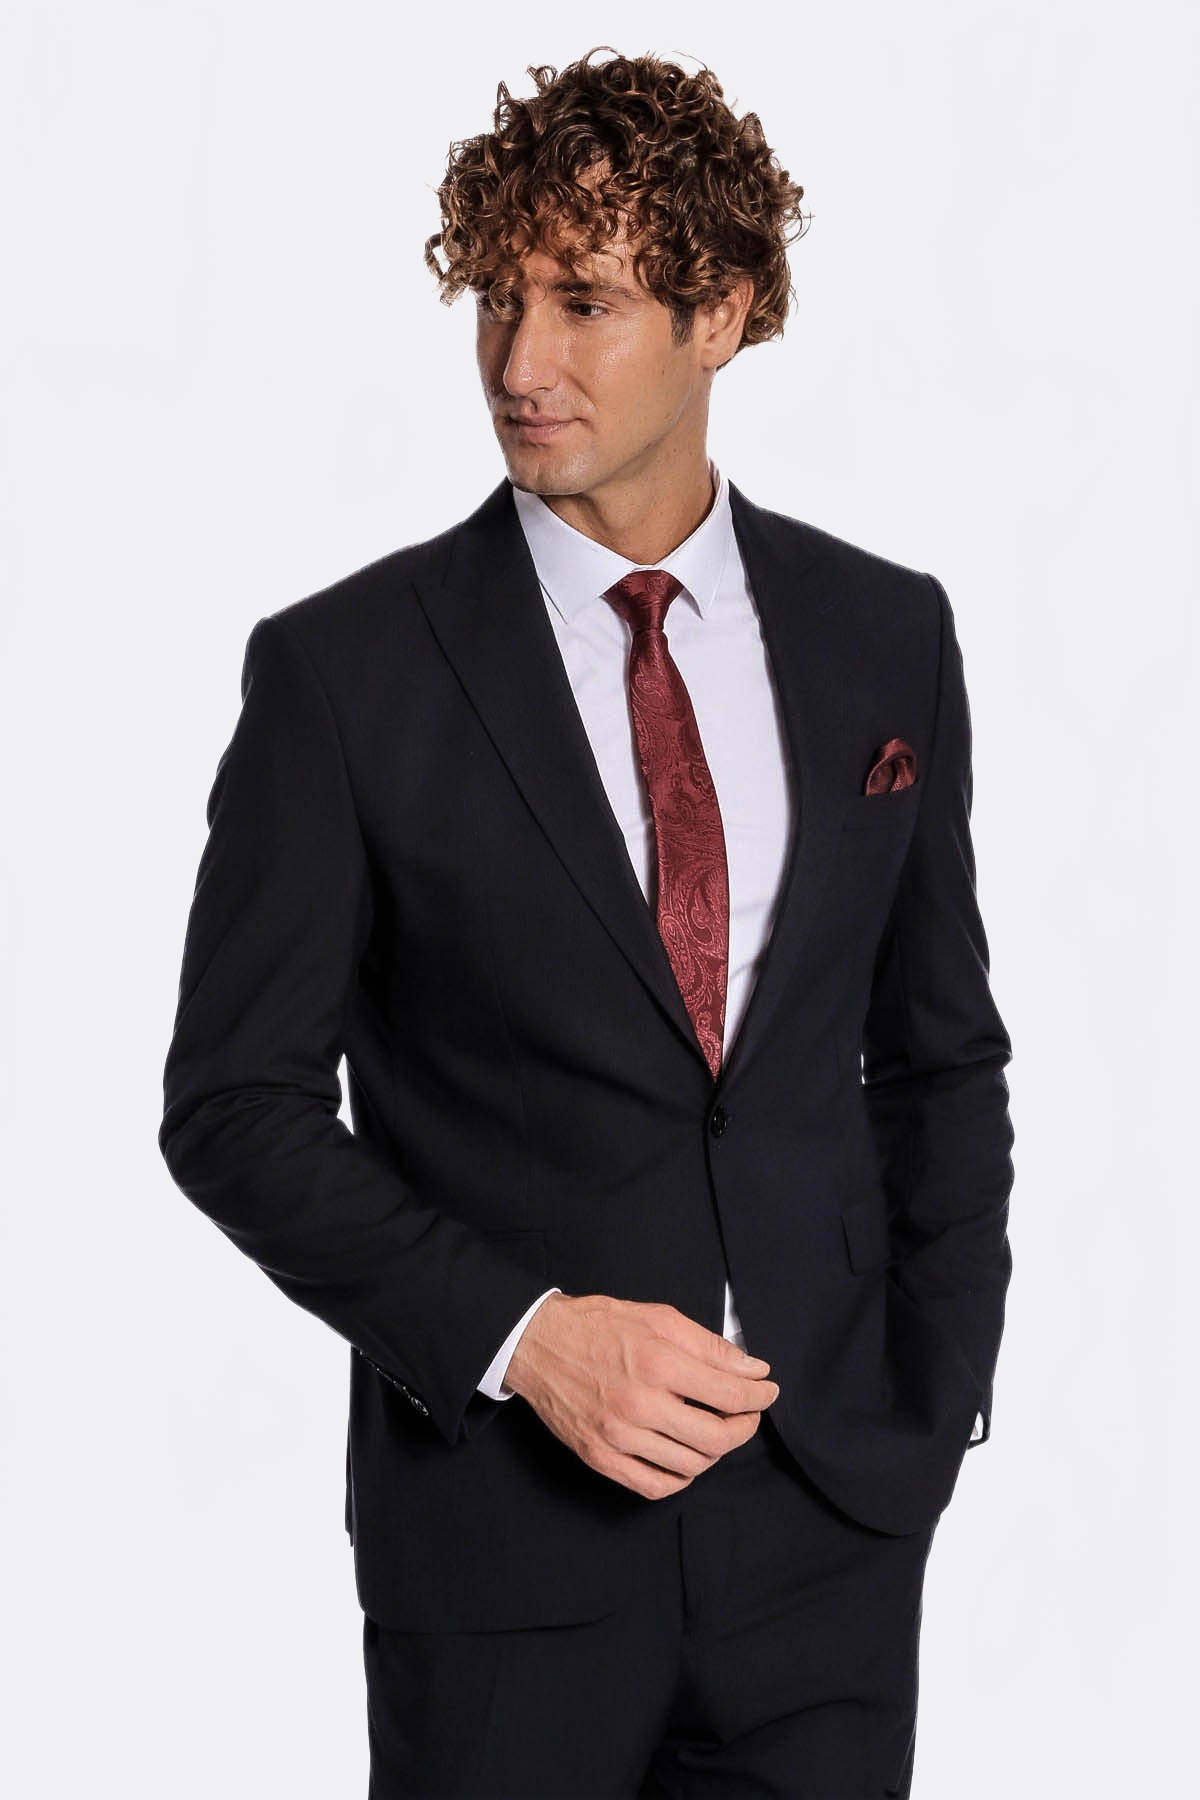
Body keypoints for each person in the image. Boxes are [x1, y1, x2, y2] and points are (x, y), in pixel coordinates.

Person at [158, 46, 1014, 1800]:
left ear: (726, 314)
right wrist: (524, 1335)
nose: (517, 364)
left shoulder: (886, 634)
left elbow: (939, 1055)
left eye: (584, 301)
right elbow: (233, 1106)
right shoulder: (343, 674)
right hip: (503, 1554)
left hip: (831, 1544)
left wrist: (929, 1405)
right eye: (496, 296)